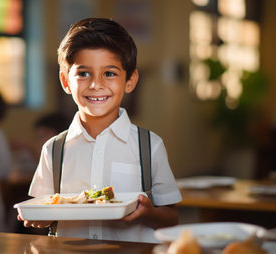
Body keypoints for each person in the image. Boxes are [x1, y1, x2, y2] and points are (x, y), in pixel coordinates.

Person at [18, 18, 182, 243]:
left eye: (110, 73)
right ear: (65, 81)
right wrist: (41, 218)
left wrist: (149, 212)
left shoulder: (149, 146)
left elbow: (171, 218)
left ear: (130, 80)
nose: (96, 84)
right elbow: (43, 208)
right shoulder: (54, 149)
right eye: (83, 73)